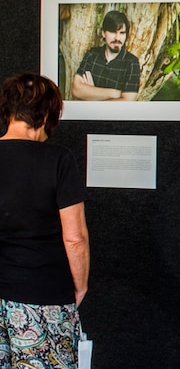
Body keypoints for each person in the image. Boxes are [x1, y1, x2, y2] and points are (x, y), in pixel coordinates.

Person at [0, 73, 89, 367]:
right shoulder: (58, 160)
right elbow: (74, 238)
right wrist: (80, 286)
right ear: (47, 113)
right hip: (43, 296)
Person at [71, 10, 141, 101]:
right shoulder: (92, 55)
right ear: (103, 33)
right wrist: (115, 93)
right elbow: (76, 90)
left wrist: (91, 94)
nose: (117, 38)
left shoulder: (131, 62)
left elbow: (127, 101)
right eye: (112, 32)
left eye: (122, 33)